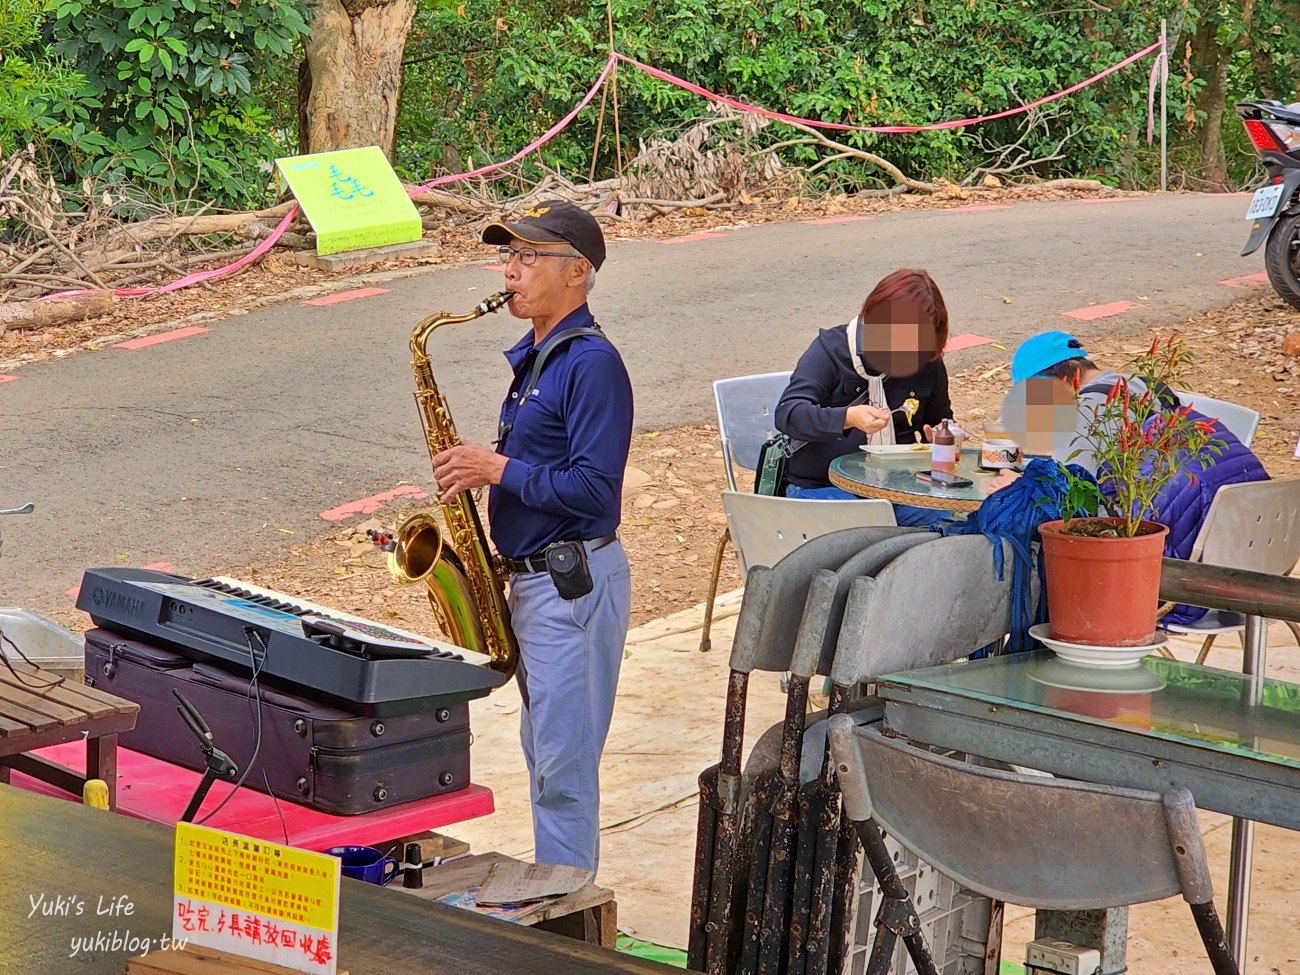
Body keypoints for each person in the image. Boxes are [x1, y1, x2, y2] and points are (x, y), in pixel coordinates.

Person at [431, 200, 633, 872]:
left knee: (563, 776)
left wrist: (495, 468)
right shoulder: (542, 359)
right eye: (508, 257)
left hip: (570, 587)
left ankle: (571, 922)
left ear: (576, 271)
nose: (509, 271)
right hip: (537, 582)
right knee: (546, 756)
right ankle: (562, 899)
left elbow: (595, 491)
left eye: (527, 257)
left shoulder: (592, 364)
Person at [1002, 329, 1269, 624]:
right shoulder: (1147, 386)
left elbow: (1067, 501)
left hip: (1176, 579)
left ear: (1066, 381)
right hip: (1252, 557)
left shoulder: (1086, 414)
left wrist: (1013, 489)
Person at [774, 268, 956, 528]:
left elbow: (940, 419)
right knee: (864, 526)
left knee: (951, 522)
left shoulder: (927, 363)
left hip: (899, 487)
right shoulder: (831, 351)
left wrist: (944, 437)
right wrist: (847, 418)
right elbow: (789, 413)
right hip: (823, 487)